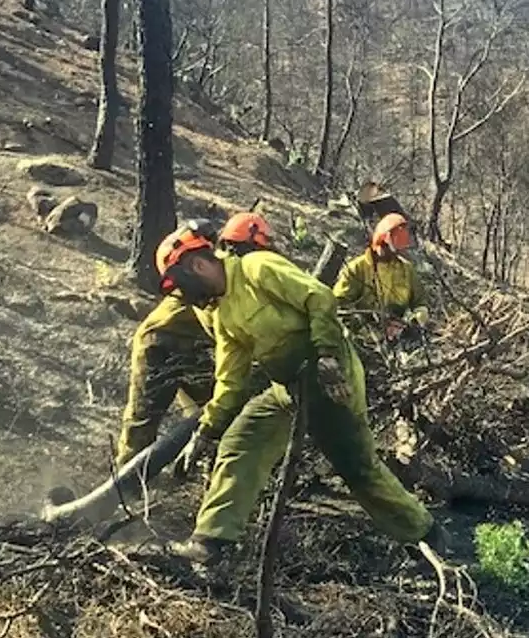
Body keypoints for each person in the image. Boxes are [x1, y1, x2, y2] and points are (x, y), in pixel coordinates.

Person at [157, 226, 444, 563]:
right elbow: (230, 380)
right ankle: (209, 543)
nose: (186, 297)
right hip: (288, 388)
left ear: (196, 267)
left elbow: (319, 297)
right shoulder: (223, 312)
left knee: (358, 469)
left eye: (183, 287)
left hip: (330, 377)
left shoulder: (256, 267)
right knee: (242, 441)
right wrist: (206, 432)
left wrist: (325, 355)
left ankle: (427, 533)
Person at [113, 214, 277, 468]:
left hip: (196, 347)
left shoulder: (234, 271)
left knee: (223, 412)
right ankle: (125, 487)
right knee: (142, 424)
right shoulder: (212, 276)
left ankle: (202, 470)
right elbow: (220, 326)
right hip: (159, 343)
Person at [334, 212, 430, 341]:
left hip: (398, 335)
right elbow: (339, 306)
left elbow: (421, 304)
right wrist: (366, 332)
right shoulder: (357, 268)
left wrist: (411, 324)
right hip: (363, 337)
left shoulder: (406, 269)